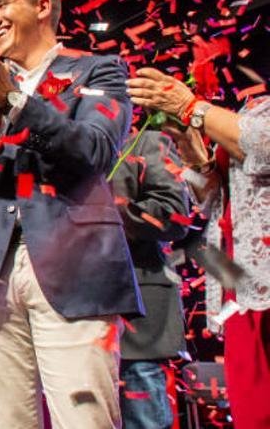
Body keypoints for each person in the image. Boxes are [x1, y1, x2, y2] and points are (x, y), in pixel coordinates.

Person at [0, 0, 142, 428]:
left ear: (43, 6)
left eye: (1, 5)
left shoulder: (99, 70)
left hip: (74, 270)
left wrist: (14, 100)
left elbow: (93, 151)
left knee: (84, 421)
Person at [126, 67, 270, 429]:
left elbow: (263, 147)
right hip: (243, 282)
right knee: (255, 412)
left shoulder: (247, 120)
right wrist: (193, 149)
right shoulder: (253, 107)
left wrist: (192, 107)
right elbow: (211, 200)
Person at [108, 130, 190, 428]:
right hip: (69, 310)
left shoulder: (145, 142)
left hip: (136, 316)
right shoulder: (57, 150)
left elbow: (176, 214)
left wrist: (107, 212)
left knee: (142, 418)